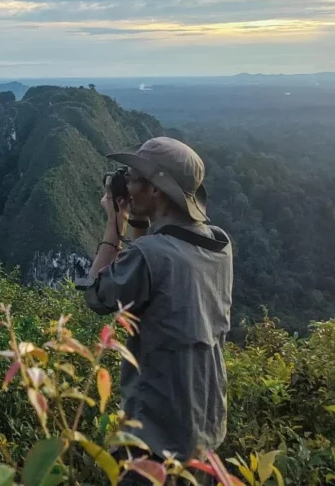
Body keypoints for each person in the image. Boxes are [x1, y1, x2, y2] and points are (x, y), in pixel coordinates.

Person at [78, 137, 233, 484]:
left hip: (153, 441)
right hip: (204, 434)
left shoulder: (151, 256)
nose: (127, 185)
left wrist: (113, 224)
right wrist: (137, 222)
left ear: (155, 190)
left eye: (133, 178)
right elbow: (152, 266)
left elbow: (97, 295)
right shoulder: (219, 246)